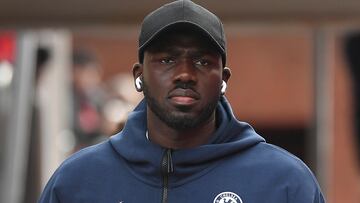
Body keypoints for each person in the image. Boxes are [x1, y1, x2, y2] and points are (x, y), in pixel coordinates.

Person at [38, 1, 325, 202]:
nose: (185, 73)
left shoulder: (284, 181)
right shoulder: (78, 181)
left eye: (202, 61)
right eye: (167, 59)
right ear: (140, 75)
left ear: (223, 78)